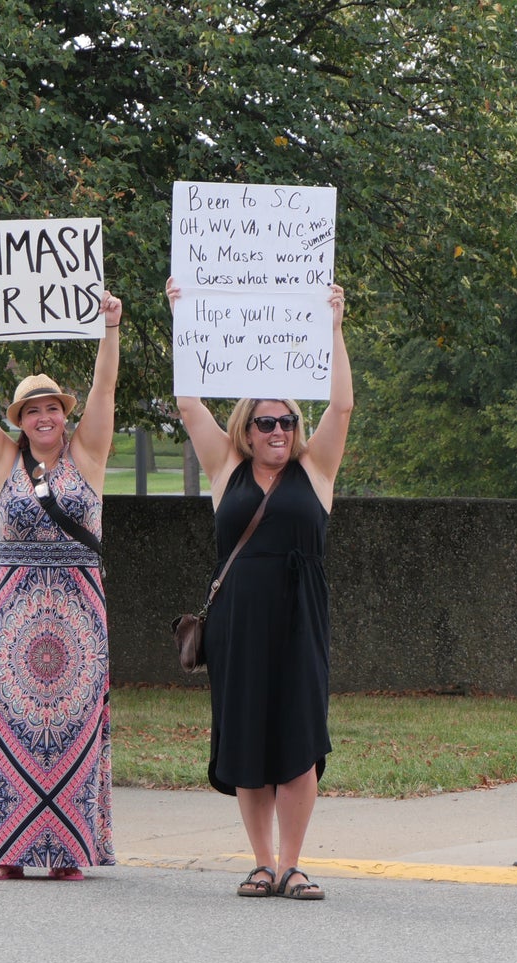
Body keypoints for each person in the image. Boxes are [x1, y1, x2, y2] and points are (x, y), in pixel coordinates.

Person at [168, 278, 352, 901]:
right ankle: (262, 863)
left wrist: (334, 328)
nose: (279, 430)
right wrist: (185, 315)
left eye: (287, 421)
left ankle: (293, 865)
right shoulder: (227, 470)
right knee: (246, 735)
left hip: (301, 620)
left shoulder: (315, 470)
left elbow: (342, 408)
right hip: (239, 623)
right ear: (246, 429)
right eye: (266, 422)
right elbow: (188, 403)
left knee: (299, 740)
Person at [0, 288, 123, 880]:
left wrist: (111, 329)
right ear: (19, 420)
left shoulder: (88, 455)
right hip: (12, 615)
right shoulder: (1, 460)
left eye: (52, 409)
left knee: (73, 729)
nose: (44, 418)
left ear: (64, 415)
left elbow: (105, 390)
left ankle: (68, 854)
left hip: (78, 614)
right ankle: (7, 853)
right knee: (8, 726)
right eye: (32, 410)